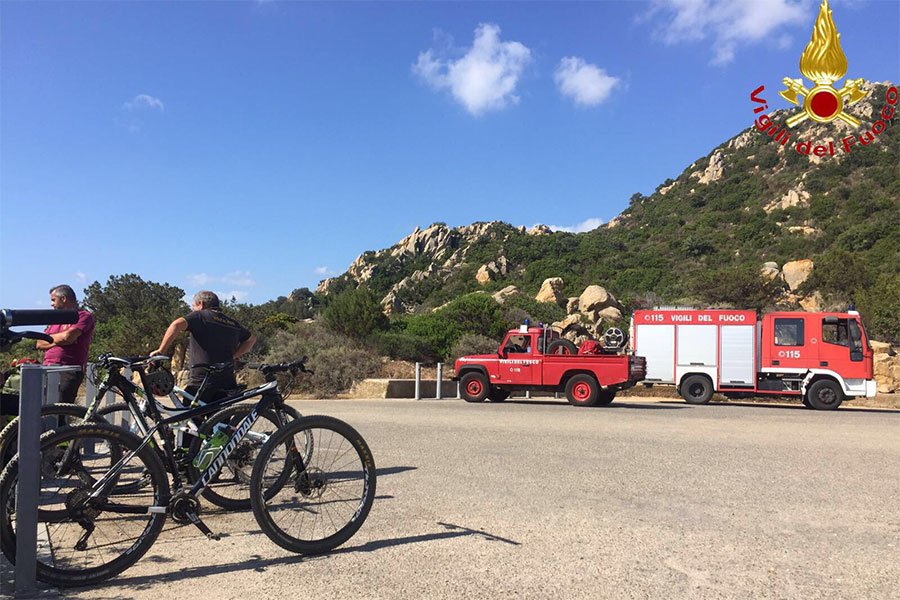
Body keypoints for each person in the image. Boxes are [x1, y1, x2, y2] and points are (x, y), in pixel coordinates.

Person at [152, 291, 256, 403]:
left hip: (202, 381)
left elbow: (176, 325)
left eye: (193, 306)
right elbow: (251, 339)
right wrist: (234, 356)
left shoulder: (200, 316)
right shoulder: (233, 323)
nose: (192, 310)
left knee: (190, 418)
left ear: (200, 304)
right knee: (219, 418)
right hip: (227, 380)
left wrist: (161, 351)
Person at [35, 284, 95, 404]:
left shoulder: (83, 316)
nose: (52, 304)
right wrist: (60, 341)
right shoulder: (55, 319)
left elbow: (68, 336)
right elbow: (39, 343)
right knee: (42, 408)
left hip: (68, 370)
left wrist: (52, 340)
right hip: (47, 368)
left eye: (53, 300)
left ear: (63, 299)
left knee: (61, 410)